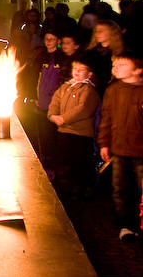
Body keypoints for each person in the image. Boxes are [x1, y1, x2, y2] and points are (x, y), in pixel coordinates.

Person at [97, 53, 143, 241]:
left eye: (122, 64)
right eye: (114, 64)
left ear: (137, 70)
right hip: (119, 150)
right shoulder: (113, 90)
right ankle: (126, 225)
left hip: (140, 152)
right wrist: (104, 143)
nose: (115, 67)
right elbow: (106, 118)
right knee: (120, 189)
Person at [48, 56, 100, 198]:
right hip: (64, 131)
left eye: (81, 69)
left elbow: (83, 108)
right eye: (75, 68)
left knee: (80, 162)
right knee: (66, 160)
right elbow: (55, 102)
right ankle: (66, 186)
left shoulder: (89, 90)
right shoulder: (65, 87)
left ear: (89, 74)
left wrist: (64, 118)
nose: (77, 72)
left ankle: (81, 187)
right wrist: (53, 116)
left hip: (81, 134)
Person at [31, 31, 71, 169]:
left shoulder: (63, 58)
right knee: (43, 131)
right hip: (41, 101)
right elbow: (33, 77)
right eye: (46, 39)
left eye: (52, 39)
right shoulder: (40, 56)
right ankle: (45, 158)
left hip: (57, 101)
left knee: (55, 132)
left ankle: (55, 162)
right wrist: (33, 97)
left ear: (58, 41)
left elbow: (64, 80)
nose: (48, 41)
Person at [85, 19, 127, 98]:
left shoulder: (121, 53)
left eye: (101, 31)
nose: (97, 34)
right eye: (96, 31)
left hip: (111, 91)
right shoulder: (90, 52)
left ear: (111, 32)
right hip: (91, 91)